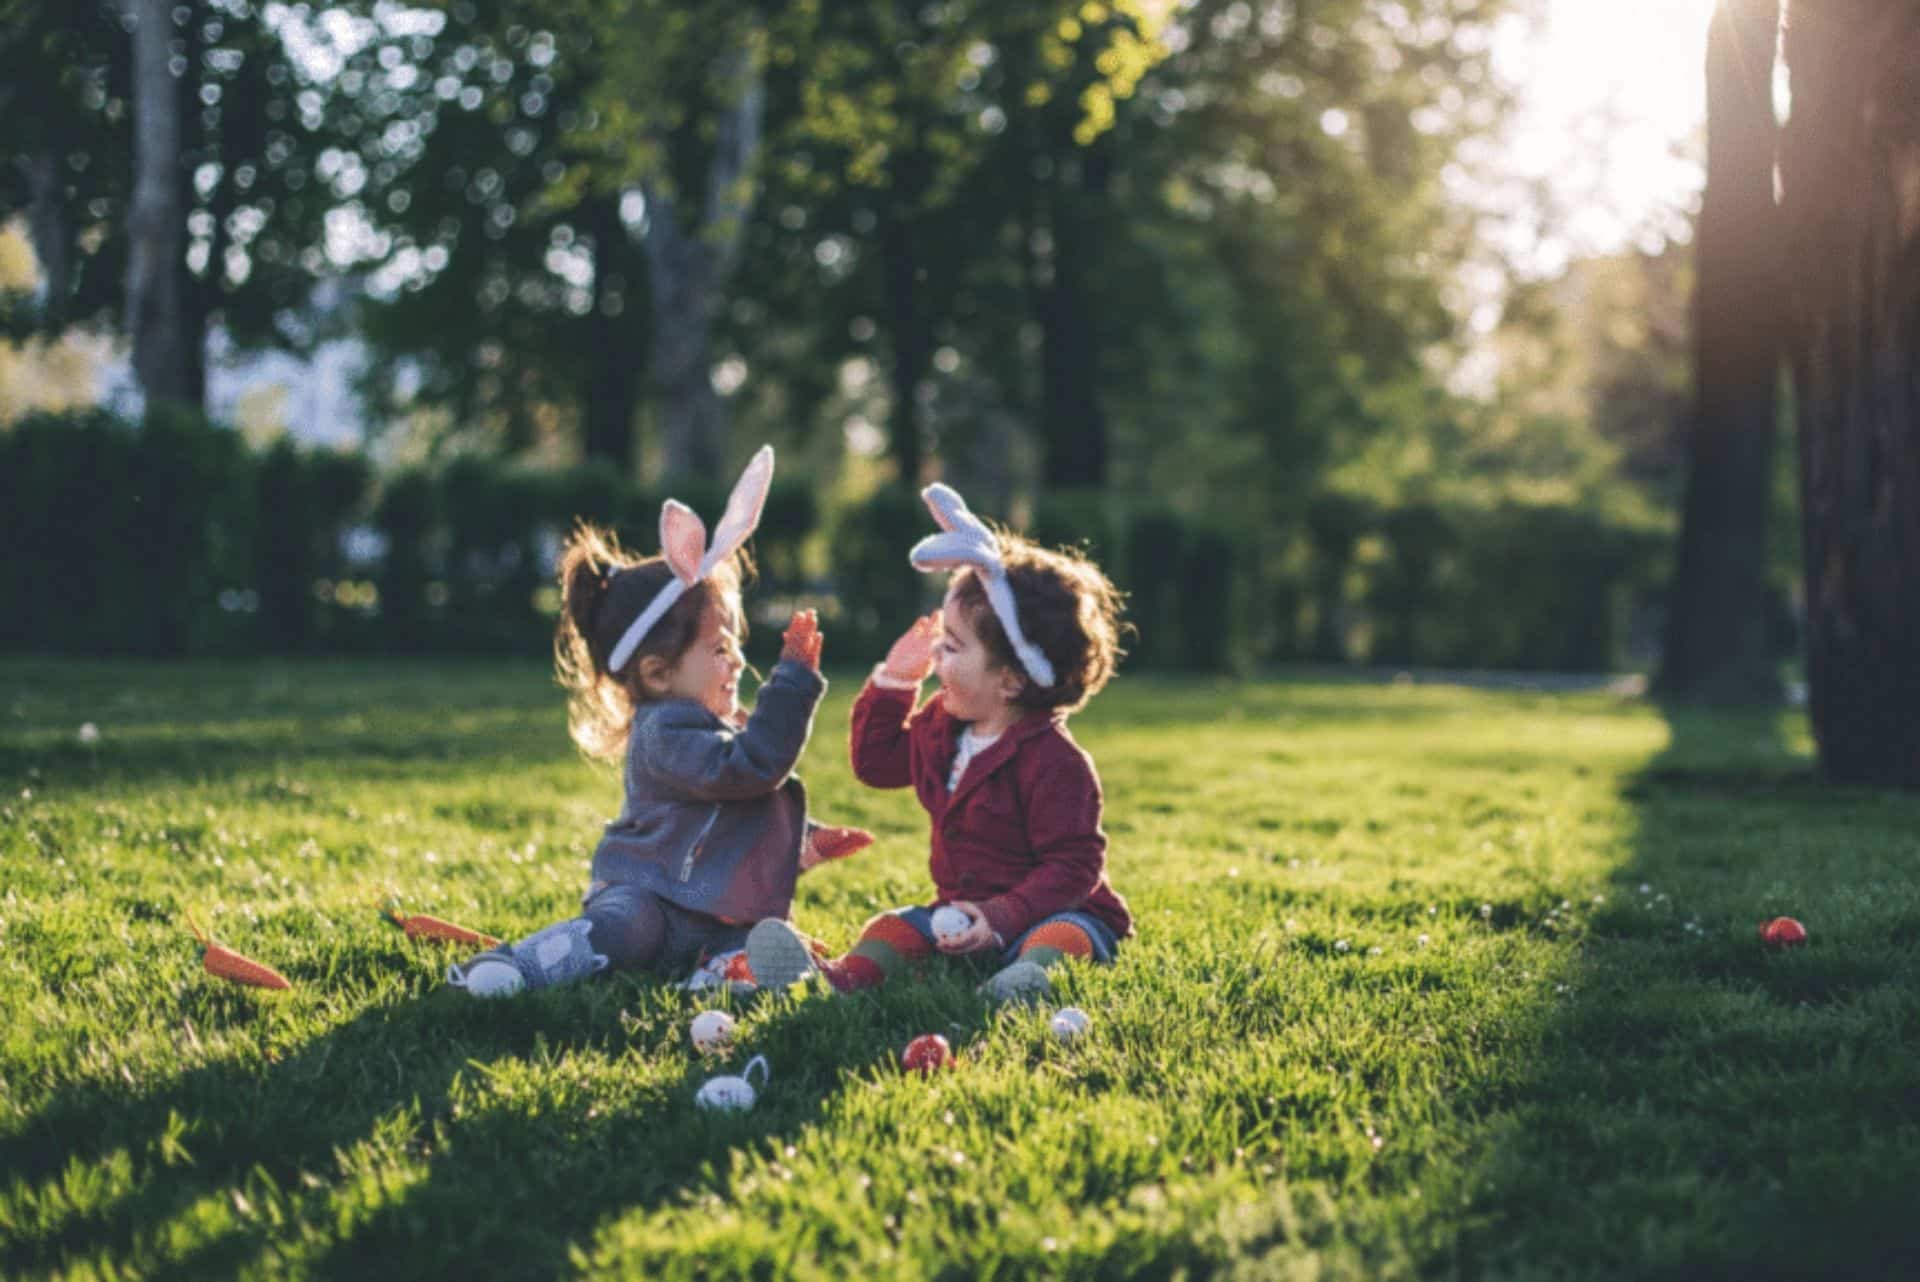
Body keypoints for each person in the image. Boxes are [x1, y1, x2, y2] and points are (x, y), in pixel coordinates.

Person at [449, 447, 869, 998]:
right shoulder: (665, 732)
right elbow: (749, 772)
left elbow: (735, 815)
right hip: (649, 896)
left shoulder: (710, 726)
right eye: (720, 648)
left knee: (746, 938)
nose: (739, 662)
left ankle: (721, 974)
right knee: (622, 930)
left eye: (736, 645)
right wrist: (790, 685)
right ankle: (519, 967)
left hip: (709, 911)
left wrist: (805, 844)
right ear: (658, 670)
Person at [746, 482, 1131, 1003]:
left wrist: (1000, 917)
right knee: (894, 927)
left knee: (1063, 937)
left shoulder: (1057, 763)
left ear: (1011, 680)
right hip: (958, 911)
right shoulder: (943, 725)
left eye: (951, 647)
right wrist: (894, 684)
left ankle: (1025, 980)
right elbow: (877, 764)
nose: (937, 660)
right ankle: (842, 976)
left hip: (1050, 911)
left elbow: (1075, 867)